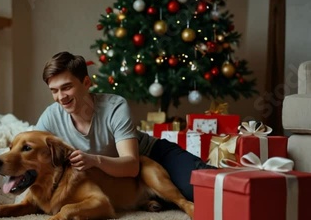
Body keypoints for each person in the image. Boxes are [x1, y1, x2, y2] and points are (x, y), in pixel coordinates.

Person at [35, 51, 215, 202]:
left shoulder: (114, 107)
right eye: (54, 90)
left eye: (66, 87)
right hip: (121, 179)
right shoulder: (51, 115)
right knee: (166, 197)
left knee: (203, 189)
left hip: (153, 155)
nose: (61, 97)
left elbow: (131, 166)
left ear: (86, 83)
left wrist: (94, 160)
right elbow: (28, 150)